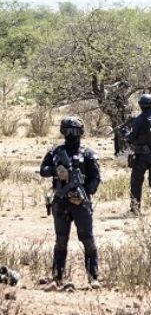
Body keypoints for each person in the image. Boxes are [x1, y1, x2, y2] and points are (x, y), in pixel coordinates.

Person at [39, 117, 101, 289]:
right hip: (61, 202)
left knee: (88, 240)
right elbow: (42, 170)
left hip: (80, 203)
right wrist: (56, 171)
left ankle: (93, 277)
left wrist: (83, 195)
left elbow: (96, 179)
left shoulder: (88, 153)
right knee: (61, 241)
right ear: (62, 131)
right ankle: (57, 277)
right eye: (68, 131)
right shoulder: (55, 152)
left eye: (74, 131)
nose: (71, 135)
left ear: (81, 132)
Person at [105, 80, 132, 156]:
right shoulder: (114, 90)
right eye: (126, 88)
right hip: (117, 115)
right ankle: (120, 151)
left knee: (119, 132)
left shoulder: (120, 91)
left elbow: (123, 101)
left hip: (122, 114)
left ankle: (119, 151)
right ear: (122, 86)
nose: (126, 90)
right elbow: (110, 102)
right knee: (120, 132)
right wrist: (116, 112)